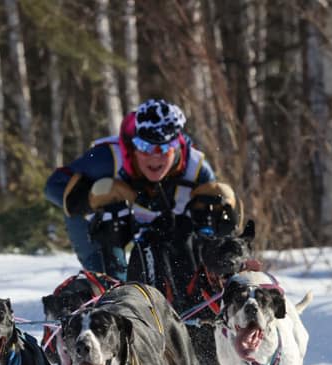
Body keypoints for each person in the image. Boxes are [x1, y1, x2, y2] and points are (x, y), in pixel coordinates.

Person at [44, 98, 238, 287]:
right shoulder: (107, 158)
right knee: (103, 197)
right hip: (112, 226)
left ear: (177, 146)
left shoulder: (196, 167)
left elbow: (225, 221)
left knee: (215, 199)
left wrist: (222, 221)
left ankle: (196, 288)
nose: (154, 158)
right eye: (145, 147)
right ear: (133, 145)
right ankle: (109, 286)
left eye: (164, 149)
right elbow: (53, 186)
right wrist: (91, 199)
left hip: (169, 225)